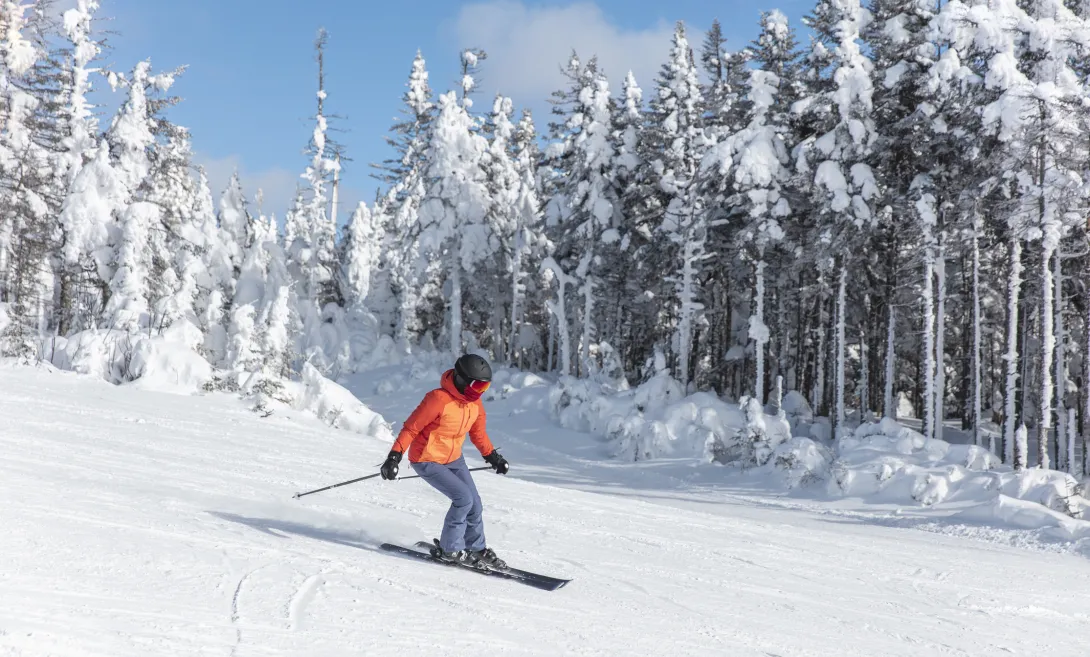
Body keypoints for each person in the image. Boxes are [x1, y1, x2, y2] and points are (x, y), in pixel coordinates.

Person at [380, 354, 510, 569]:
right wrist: (394, 456)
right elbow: (412, 428)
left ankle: (476, 547)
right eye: (477, 385)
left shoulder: (474, 404)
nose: (479, 392)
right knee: (463, 498)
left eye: (484, 387)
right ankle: (450, 548)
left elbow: (478, 435)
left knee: (475, 503)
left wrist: (492, 457)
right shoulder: (437, 399)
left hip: (453, 459)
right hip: (427, 458)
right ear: (461, 379)